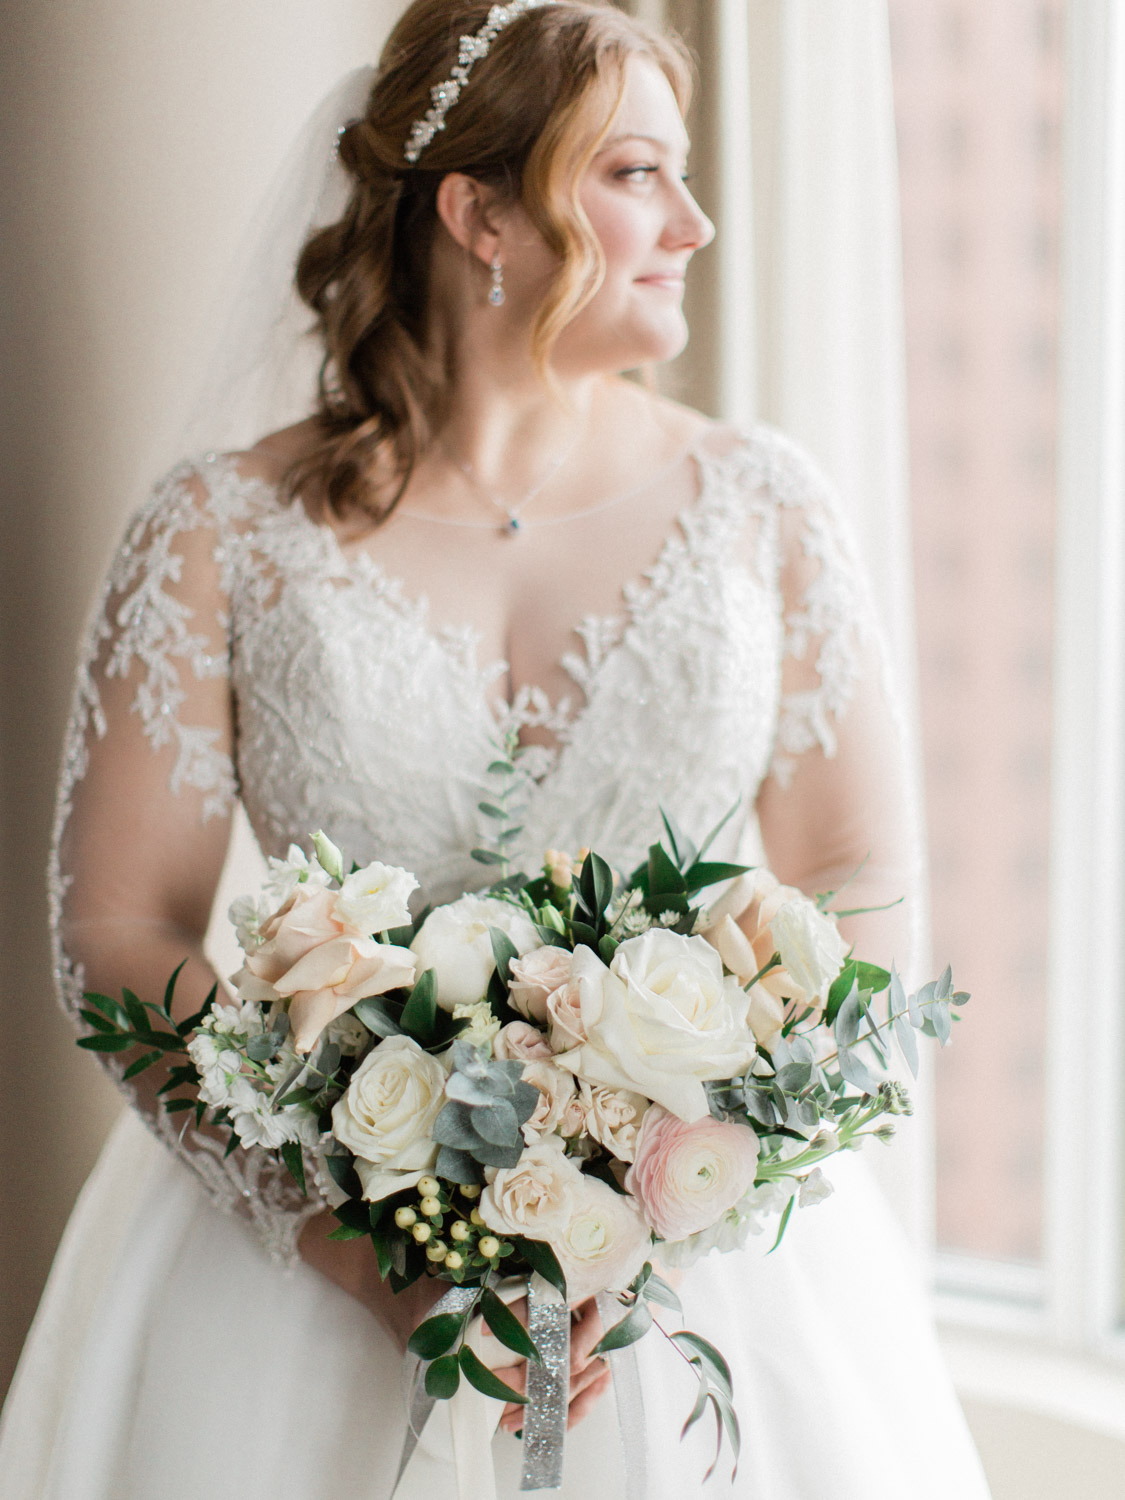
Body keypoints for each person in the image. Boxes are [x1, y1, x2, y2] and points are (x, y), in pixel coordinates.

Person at [0, 2, 992, 1496]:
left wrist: (675, 1170)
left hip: (700, 1272)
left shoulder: (765, 508)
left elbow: (859, 871)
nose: (696, 223)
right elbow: (119, 927)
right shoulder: (220, 532)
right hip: (295, 1281)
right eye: (636, 175)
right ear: (481, 213)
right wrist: (363, 1247)